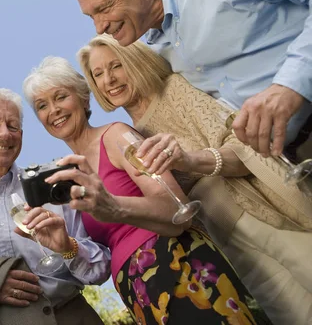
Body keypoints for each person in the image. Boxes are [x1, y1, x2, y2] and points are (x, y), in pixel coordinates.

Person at [77, 34, 312, 324]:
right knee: (293, 316)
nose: (109, 80)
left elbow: (245, 148)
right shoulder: (128, 133)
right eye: (98, 74)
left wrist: (189, 160)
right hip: (225, 242)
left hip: (259, 212)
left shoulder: (174, 90)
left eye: (116, 66)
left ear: (135, 60)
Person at [23, 57, 260, 324]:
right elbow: (96, 261)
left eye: (60, 97)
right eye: (42, 106)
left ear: (85, 99)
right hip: (134, 285)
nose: (53, 110)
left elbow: (176, 207)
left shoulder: (116, 136)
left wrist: (113, 205)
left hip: (175, 260)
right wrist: (64, 245)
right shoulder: (69, 177)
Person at [60, 0, 312, 160]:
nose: (99, 27)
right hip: (292, 159)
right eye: (91, 16)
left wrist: (289, 87)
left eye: (104, 8)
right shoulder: (155, 53)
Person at [0, 88, 110, 325]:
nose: (5, 134)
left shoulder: (55, 187)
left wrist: (69, 247)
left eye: (13, 126)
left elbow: (101, 269)